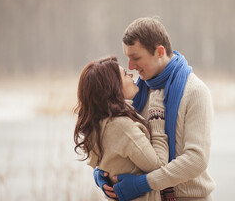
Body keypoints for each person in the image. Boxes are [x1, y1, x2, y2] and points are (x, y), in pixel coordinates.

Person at [95, 17, 216, 200]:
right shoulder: (136, 92)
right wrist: (103, 173)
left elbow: (196, 160)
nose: (130, 66)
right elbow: (123, 142)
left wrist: (141, 184)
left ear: (160, 52)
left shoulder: (195, 92)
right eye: (128, 58)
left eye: (136, 58)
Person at [74, 57, 173, 200]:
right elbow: (158, 166)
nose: (131, 74)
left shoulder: (98, 125)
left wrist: (98, 174)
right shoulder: (120, 126)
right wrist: (157, 115)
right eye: (125, 74)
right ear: (113, 87)